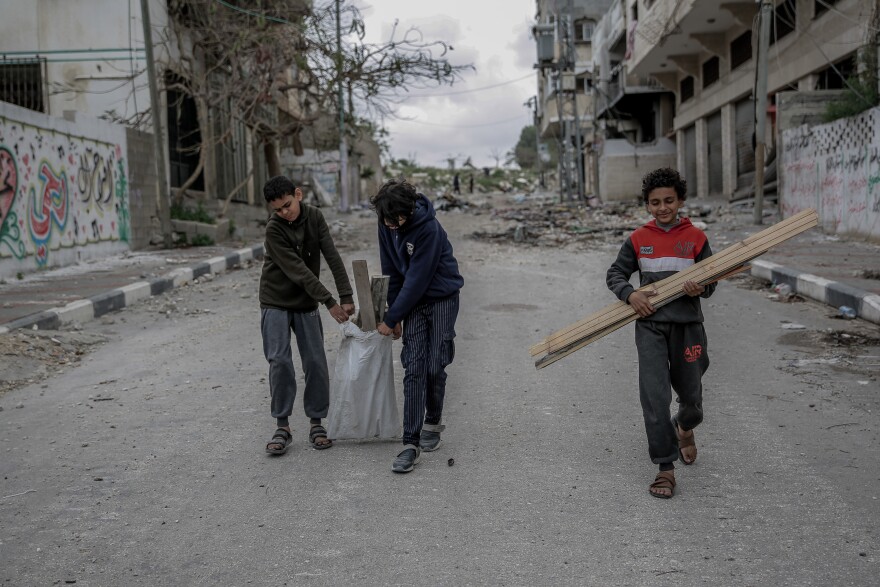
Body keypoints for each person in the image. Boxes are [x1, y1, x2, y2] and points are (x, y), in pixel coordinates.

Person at [606, 167, 715, 498]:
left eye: (669, 200)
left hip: (688, 327)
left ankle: (684, 427)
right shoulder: (638, 239)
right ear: (647, 205)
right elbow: (616, 273)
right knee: (655, 399)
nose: (663, 207)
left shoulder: (696, 238)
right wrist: (630, 293)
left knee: (692, 398)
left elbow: (712, 282)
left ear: (680, 200)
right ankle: (665, 469)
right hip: (650, 326)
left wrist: (701, 286)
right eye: (655, 202)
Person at [370, 178, 464, 473]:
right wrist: (393, 313)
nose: (391, 225)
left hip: (441, 297)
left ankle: (432, 423)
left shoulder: (428, 228)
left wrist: (391, 317)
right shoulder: (387, 223)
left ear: (408, 210)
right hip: (414, 302)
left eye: (396, 219)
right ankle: (409, 443)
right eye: (386, 220)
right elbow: (393, 272)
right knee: (414, 366)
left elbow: (417, 280)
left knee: (436, 363)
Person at [259, 175, 355, 455]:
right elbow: (298, 270)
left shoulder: (315, 217)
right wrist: (329, 301)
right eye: (277, 209)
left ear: (298, 195)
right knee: (279, 361)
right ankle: (282, 426)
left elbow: (332, 255)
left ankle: (317, 423)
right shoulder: (274, 229)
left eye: (287, 205)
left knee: (315, 361)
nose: (284, 212)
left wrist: (346, 295)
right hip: (275, 300)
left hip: (305, 302)